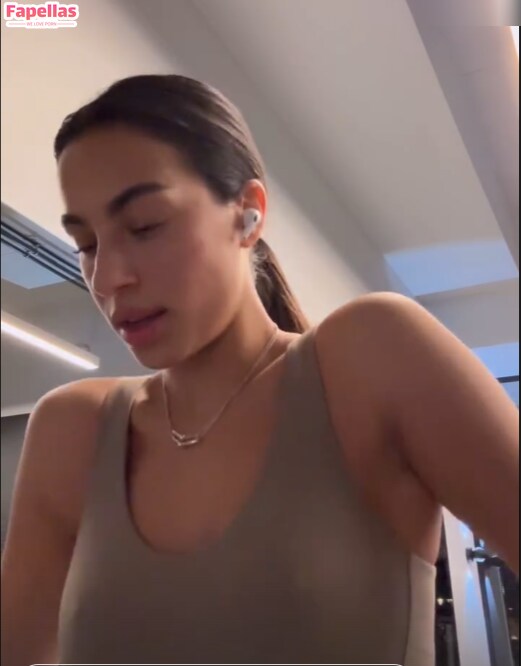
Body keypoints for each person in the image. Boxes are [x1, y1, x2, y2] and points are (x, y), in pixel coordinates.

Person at [1, 74, 518, 666]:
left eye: (144, 226)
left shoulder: (370, 358)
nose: (108, 277)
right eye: (87, 244)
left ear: (248, 213)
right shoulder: (71, 430)